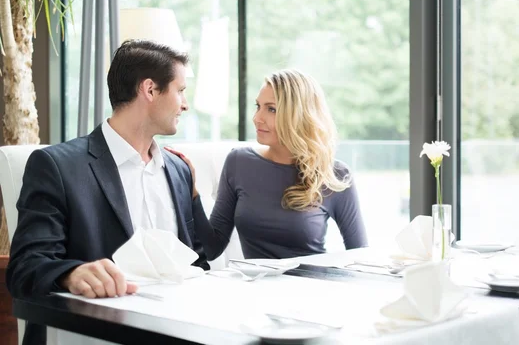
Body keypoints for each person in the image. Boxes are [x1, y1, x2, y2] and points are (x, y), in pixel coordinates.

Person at [7, 39, 208, 345]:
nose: (185, 103)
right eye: (180, 90)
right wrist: (70, 274)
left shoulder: (179, 171)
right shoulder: (56, 166)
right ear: (150, 90)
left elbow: (198, 263)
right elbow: (25, 269)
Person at [167, 69, 368, 260]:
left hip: (311, 290)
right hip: (255, 293)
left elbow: (360, 254)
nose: (257, 118)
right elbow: (212, 248)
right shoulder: (239, 162)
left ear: (298, 115)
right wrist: (193, 193)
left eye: (271, 109)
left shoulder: (335, 175)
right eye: (258, 106)